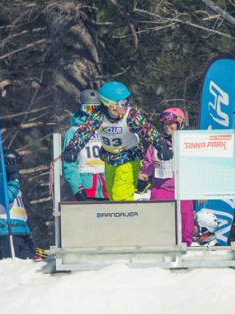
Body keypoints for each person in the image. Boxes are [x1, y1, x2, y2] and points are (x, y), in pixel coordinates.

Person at [62, 80, 172, 201]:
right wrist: (72, 148)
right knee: (111, 196)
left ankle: (124, 217)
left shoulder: (131, 116)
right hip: (110, 159)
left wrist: (162, 146)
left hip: (128, 158)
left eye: (127, 101)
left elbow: (148, 130)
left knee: (120, 196)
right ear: (111, 104)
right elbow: (84, 132)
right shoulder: (98, 116)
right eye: (123, 103)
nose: (126, 106)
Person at [138, 107, 194, 246]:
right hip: (161, 188)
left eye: (171, 124)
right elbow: (146, 171)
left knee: (186, 225)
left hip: (183, 189)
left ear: (179, 124)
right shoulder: (156, 144)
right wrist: (153, 166)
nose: (167, 127)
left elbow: (196, 165)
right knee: (159, 222)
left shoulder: (188, 142)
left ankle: (185, 251)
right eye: (165, 124)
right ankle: (160, 250)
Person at [62, 89, 108, 201]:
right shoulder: (74, 131)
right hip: (86, 185)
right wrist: (77, 188)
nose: (92, 113)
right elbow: (69, 165)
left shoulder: (107, 128)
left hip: (108, 185)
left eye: (96, 109)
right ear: (82, 108)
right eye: (89, 108)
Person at [0, 150, 35, 259]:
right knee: (12, 270)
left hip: (22, 234)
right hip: (6, 232)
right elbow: (7, 198)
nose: (17, 169)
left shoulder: (12, 183)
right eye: (14, 164)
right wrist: (14, 178)